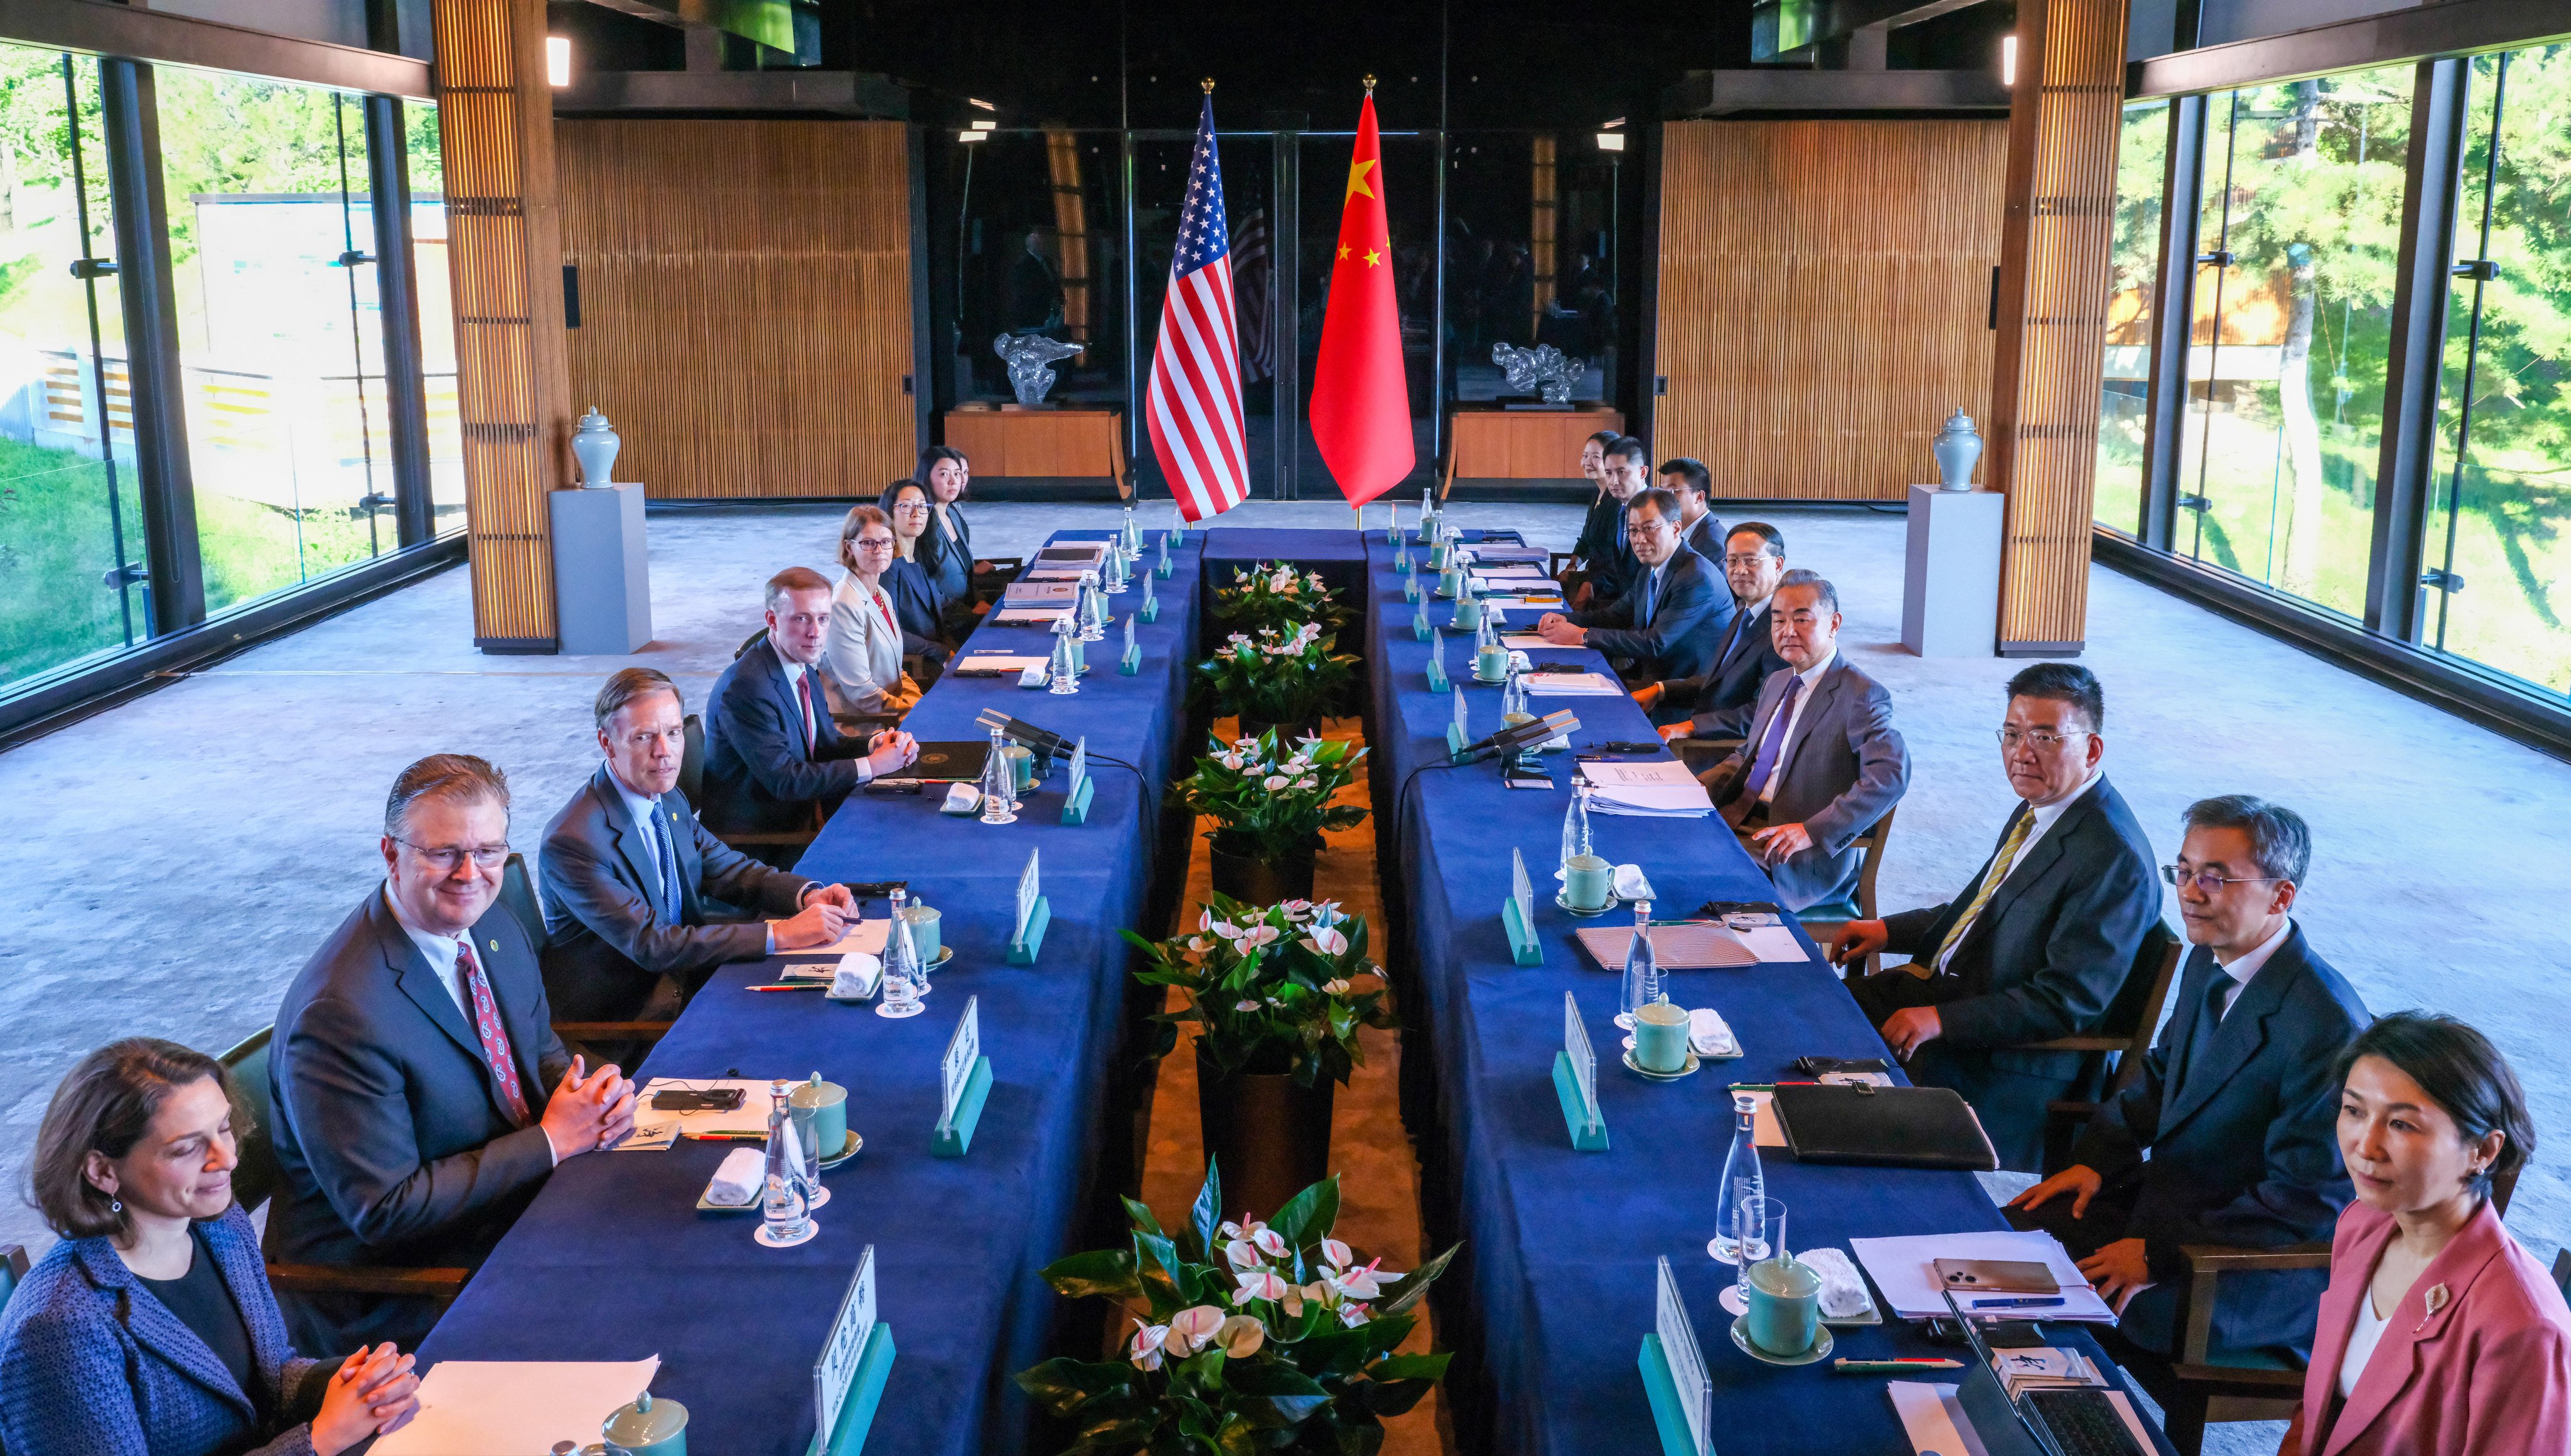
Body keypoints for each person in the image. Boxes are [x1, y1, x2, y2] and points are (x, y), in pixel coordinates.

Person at [267, 755, 636, 1351]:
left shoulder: (490, 927)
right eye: (444, 853)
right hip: (403, 1287)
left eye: (489, 851)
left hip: (506, 1202)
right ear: (391, 854)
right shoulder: (340, 1014)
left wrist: (593, 1091)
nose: (471, 873)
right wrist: (552, 1140)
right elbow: (387, 1211)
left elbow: (539, 1052)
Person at [2007, 796, 2370, 1364]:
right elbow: (2161, 1074)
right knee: (2015, 1233)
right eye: (2184, 872)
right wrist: (2096, 1161)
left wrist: (2159, 1254)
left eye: (2216, 878)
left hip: (2242, 1261)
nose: (2191, 893)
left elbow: (2305, 1200)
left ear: (2282, 895)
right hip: (2175, 1205)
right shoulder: (2211, 955)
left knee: (2080, 1301)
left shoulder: (2329, 1028)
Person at [0, 1039, 423, 1456]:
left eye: (223, 1128)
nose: (227, 1159)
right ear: (103, 1171)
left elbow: (271, 1377)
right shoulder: (61, 1329)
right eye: (186, 1148)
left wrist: (345, 1383)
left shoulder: (218, 1224)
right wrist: (320, 1440)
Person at [1830, 664, 2160, 1170]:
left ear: (2092, 749)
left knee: (1824, 1084)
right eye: (2012, 733)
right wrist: (1888, 929)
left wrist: (1942, 1019)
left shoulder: (2113, 859)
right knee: (1806, 1009)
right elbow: (1983, 906)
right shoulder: (2042, 805)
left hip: (2010, 1059)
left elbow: (2066, 1001)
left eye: (2045, 737)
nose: (2021, 752)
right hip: (1955, 994)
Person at [2282, 1013, 2570, 1454]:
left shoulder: (2524, 1324)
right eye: (2355, 1111)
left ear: (2483, 1151)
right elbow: (2320, 1409)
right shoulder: (2361, 1225)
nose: (2366, 1146)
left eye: (2401, 1124)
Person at [539, 670, 859, 1036]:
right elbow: (654, 944)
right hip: (633, 1014)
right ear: (607, 743)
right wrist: (782, 934)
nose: (665, 752)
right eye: (644, 737)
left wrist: (805, 894)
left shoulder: (665, 795)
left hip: (693, 971)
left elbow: (728, 869)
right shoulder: (572, 843)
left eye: (673, 733)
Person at [1700, 571, 1907, 912]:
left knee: (1698, 879)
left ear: (1834, 623)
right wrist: (1691, 788)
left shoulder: (1862, 695)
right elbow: (1748, 757)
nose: (1787, 631)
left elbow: (1891, 777)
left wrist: (1812, 831)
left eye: (1802, 619)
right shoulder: (1779, 680)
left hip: (1794, 852)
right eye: (1778, 620)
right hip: (1740, 820)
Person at [700, 567, 920, 840]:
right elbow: (786, 780)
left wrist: (872, 744)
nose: (815, 633)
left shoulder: (801, 666)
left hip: (806, 810)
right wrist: (873, 766)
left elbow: (822, 744)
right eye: (802, 619)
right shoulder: (746, 689)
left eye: (824, 619)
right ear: (772, 619)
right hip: (767, 837)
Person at [1534, 486, 1733, 685]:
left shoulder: (1697, 578)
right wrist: (1565, 619)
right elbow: (1617, 615)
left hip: (1680, 692)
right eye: (1633, 531)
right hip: (1648, 676)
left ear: (1675, 528)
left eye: (1649, 528)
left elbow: (1655, 642)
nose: (1639, 540)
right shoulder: (1651, 567)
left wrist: (1583, 636)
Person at [1636, 522, 1793, 739]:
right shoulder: (1746, 612)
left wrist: (1693, 727)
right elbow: (1721, 681)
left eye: (1750, 560)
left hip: (1725, 752)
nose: (1739, 570)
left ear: (1778, 565)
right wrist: (1661, 690)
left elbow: (1767, 711)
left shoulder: (1784, 630)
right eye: (1732, 560)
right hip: (1703, 722)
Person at [822, 505, 923, 717]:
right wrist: (915, 714)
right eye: (868, 543)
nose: (879, 551)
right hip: (867, 725)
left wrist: (919, 704)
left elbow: (896, 670)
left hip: (894, 709)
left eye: (886, 542)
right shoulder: (843, 605)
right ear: (849, 548)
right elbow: (862, 693)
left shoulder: (881, 595)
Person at [1565, 436, 1650, 609]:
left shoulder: (1650, 513)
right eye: (1609, 473)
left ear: (1642, 473)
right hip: (1614, 602)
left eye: (1622, 472)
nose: (1613, 481)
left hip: (1634, 610)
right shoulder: (1623, 509)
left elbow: (1640, 579)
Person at [916, 446, 993, 634]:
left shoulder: (952, 514)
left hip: (969, 610)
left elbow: (966, 575)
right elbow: (924, 586)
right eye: (944, 474)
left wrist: (979, 601)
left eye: (957, 474)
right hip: (948, 623)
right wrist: (969, 612)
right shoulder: (921, 523)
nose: (953, 481)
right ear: (926, 477)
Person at [876, 478, 955, 659]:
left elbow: (942, 604)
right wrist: (940, 652)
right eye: (906, 506)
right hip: (917, 663)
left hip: (940, 648)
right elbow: (890, 631)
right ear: (889, 512)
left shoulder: (921, 556)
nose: (916, 513)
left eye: (922, 506)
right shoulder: (887, 565)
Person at [1655, 457, 1724, 562]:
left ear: (1699, 497)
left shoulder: (1713, 545)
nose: (1664, 498)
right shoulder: (1679, 530)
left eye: (1673, 491)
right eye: (1662, 491)